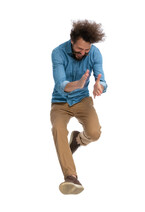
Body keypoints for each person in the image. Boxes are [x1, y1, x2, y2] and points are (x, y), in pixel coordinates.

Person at [50, 20, 107, 195]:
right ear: (72, 41)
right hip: (60, 102)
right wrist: (77, 84)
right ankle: (71, 177)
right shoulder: (58, 53)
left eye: (86, 51)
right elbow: (61, 84)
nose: (82, 54)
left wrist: (100, 86)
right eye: (79, 49)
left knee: (95, 133)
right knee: (58, 129)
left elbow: (101, 78)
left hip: (82, 101)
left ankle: (78, 140)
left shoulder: (95, 53)